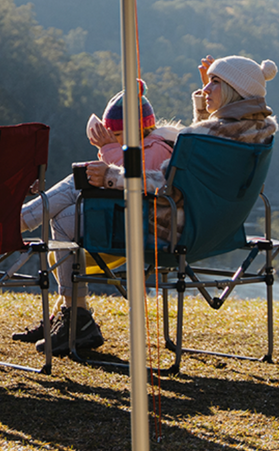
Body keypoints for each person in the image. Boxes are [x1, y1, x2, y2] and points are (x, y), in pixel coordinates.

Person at [15, 82, 178, 356]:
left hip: (137, 230)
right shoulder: (147, 145)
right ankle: (72, 317)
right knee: (65, 215)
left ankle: (15, 222)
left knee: (72, 191)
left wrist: (108, 150)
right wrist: (110, 153)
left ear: (139, 130)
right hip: (123, 221)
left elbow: (139, 180)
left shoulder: (159, 147)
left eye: (117, 134)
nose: (113, 140)